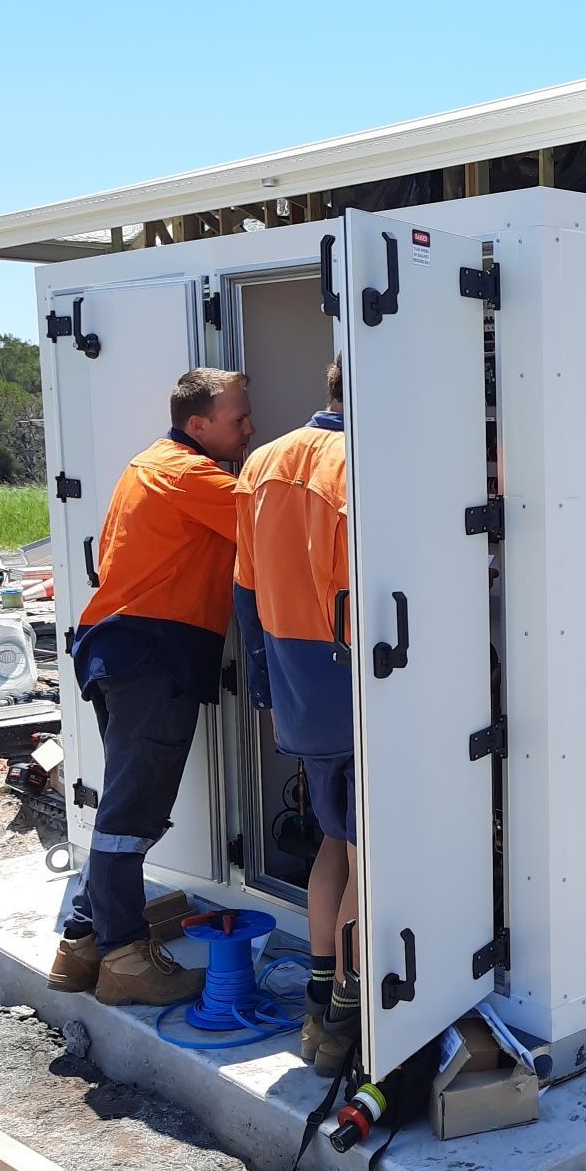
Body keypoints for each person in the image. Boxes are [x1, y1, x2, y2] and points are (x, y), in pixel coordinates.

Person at [47, 368, 255, 1005]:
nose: (251, 429)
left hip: (120, 650)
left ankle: (81, 944)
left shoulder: (149, 465)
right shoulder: (191, 475)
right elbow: (274, 517)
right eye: (239, 419)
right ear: (198, 426)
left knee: (122, 802)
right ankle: (125, 957)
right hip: (152, 656)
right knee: (131, 811)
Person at [233, 357, 358, 1076]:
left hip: (299, 685)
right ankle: (344, 1021)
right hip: (359, 687)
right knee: (374, 860)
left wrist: (266, 687)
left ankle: (317, 1005)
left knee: (333, 845)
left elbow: (245, 590)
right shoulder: (366, 463)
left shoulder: (263, 461)